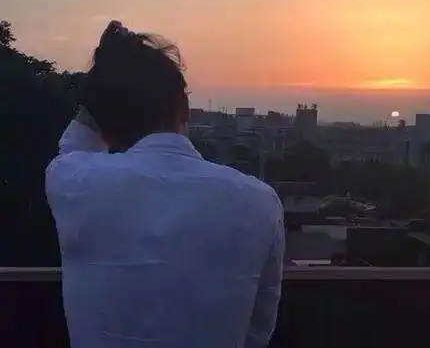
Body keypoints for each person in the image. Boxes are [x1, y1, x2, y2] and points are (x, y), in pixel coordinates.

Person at [46, 21, 284, 348]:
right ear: (184, 106)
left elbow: (74, 145)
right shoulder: (259, 202)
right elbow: (258, 330)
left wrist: (104, 79)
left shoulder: (74, 182)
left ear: (102, 120)